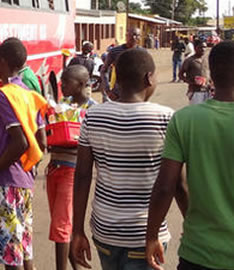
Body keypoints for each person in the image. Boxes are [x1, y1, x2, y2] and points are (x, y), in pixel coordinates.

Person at [71, 49, 174, 270]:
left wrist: (77, 231)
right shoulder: (166, 118)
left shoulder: (93, 116)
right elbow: (172, 186)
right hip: (147, 234)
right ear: (149, 78)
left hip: (105, 231)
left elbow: (81, 177)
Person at [145, 41, 234, 270]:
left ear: (211, 74)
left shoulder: (185, 120)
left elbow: (166, 186)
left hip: (199, 253)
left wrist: (152, 236)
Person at [0, 38, 48, 270]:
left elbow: (20, 142)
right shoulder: (28, 93)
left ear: (2, 61)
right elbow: (41, 142)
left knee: (10, 252)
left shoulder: (5, 95)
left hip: (7, 182)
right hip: (24, 179)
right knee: (23, 245)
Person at [46, 65, 96, 270]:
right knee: (63, 225)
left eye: (67, 82)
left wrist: (72, 141)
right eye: (62, 81)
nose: (62, 85)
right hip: (54, 168)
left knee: (61, 225)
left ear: (82, 84)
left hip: (72, 171)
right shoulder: (61, 105)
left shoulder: (93, 110)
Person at [101, 27, 142, 101]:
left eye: (137, 35)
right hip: (118, 94)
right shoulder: (114, 51)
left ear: (140, 38)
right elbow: (104, 70)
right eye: (131, 35)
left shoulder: (143, 53)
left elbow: (148, 73)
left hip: (136, 94)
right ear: (126, 36)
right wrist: (108, 90)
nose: (133, 37)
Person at [179, 39, 210, 105]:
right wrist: (191, 82)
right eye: (200, 47)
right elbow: (180, 74)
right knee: (197, 112)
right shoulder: (189, 60)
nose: (203, 49)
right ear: (195, 48)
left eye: (204, 47)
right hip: (195, 92)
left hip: (207, 91)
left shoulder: (207, 59)